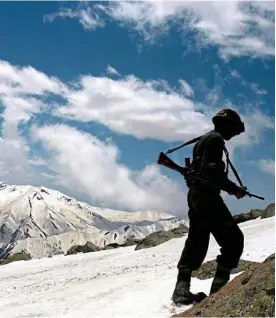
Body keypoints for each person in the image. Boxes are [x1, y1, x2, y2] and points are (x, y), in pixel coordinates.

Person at [172, 108, 248, 305]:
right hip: (207, 197)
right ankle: (219, 294)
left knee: (196, 242)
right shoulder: (215, 140)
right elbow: (212, 171)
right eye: (233, 129)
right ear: (226, 125)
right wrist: (235, 189)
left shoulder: (202, 140)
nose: (234, 134)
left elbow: (202, 171)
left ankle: (181, 290)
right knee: (233, 241)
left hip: (195, 196)